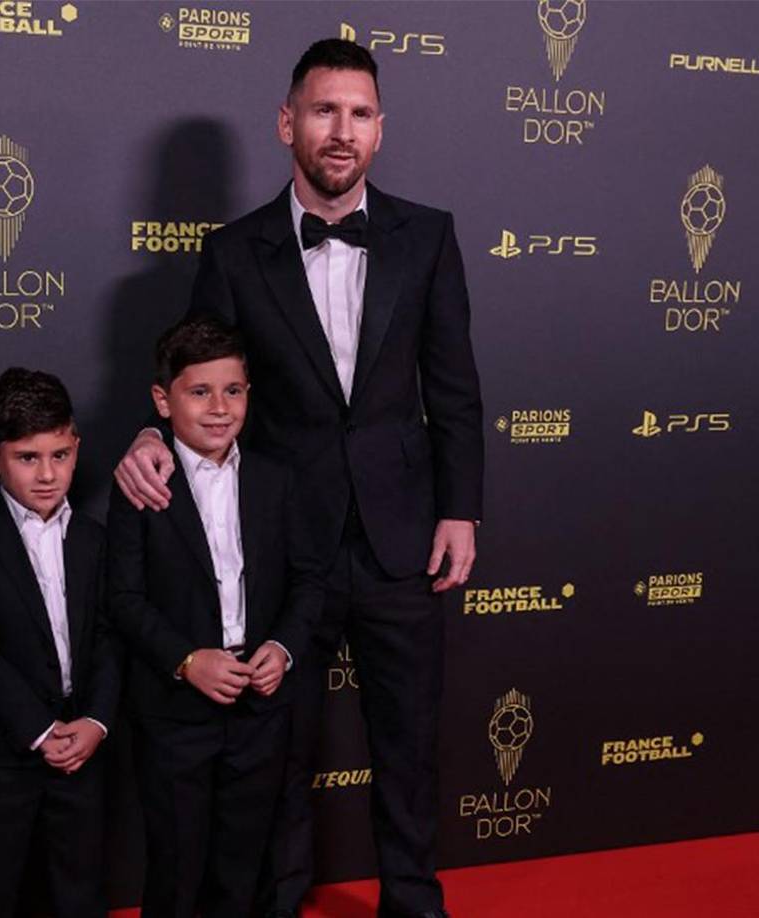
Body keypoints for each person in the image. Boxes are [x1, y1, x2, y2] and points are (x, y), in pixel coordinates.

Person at [114, 39, 484, 918]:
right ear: (288, 123)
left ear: (380, 130)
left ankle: (413, 901)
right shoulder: (234, 252)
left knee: (408, 743)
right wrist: (146, 429)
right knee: (276, 750)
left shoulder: (428, 235)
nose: (340, 130)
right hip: (284, 543)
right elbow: (200, 370)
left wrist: (461, 509)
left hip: (403, 532)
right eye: (323, 110)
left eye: (358, 113)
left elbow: (456, 386)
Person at [107, 317, 324, 918]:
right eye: (199, 392)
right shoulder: (141, 484)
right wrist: (184, 660)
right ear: (162, 399)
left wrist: (281, 647)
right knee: (177, 870)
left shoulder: (277, 479)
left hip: (259, 708)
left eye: (233, 391)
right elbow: (122, 599)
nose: (219, 408)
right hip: (175, 715)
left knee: (245, 868)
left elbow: (309, 581)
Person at [0, 367, 122, 918]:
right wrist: (35, 728)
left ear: (77, 447)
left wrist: (96, 721)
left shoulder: (94, 539)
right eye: (28, 458)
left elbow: (108, 635)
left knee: (80, 893)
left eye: (60, 455)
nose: (48, 474)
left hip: (82, 751)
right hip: (0, 756)